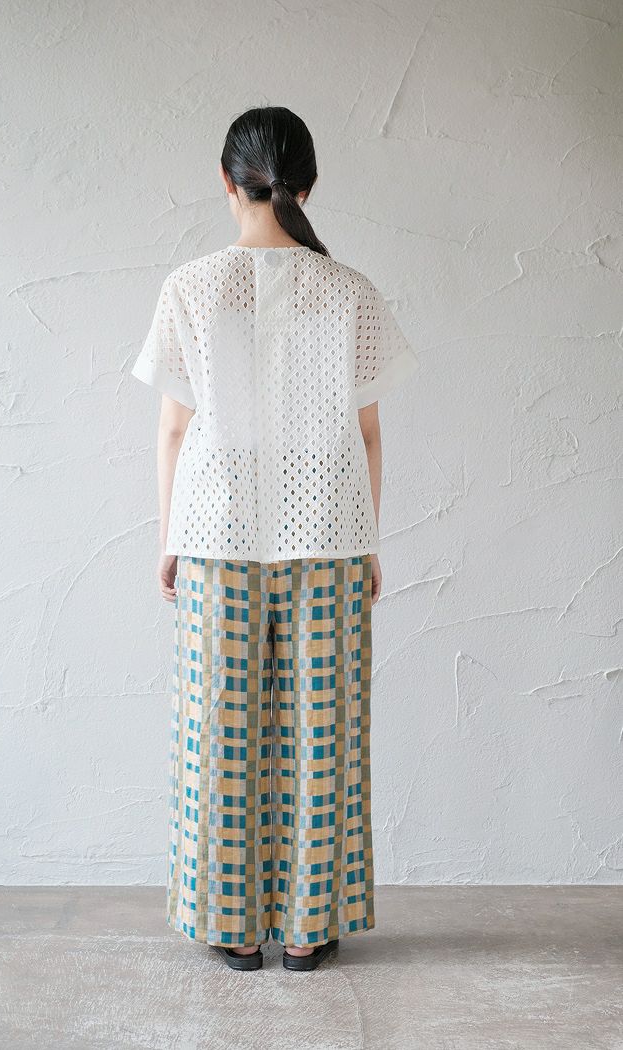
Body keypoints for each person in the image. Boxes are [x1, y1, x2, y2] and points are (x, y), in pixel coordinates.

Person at [131, 106, 420, 971]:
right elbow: (368, 435)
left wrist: (169, 538)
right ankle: (304, 929)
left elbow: (174, 431)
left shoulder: (189, 287)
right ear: (308, 184)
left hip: (214, 537)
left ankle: (231, 927)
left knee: (218, 729)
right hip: (330, 537)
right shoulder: (350, 291)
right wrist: (370, 541)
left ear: (227, 182)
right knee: (322, 734)